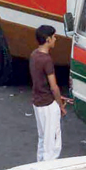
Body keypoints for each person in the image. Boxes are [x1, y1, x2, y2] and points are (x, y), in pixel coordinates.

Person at [29, 25, 71, 162]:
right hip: (48, 105)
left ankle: (38, 167)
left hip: (37, 102)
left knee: (43, 139)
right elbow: (54, 87)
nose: (55, 39)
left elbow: (40, 83)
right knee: (52, 143)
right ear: (47, 39)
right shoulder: (46, 60)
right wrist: (60, 105)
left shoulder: (34, 55)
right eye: (53, 36)